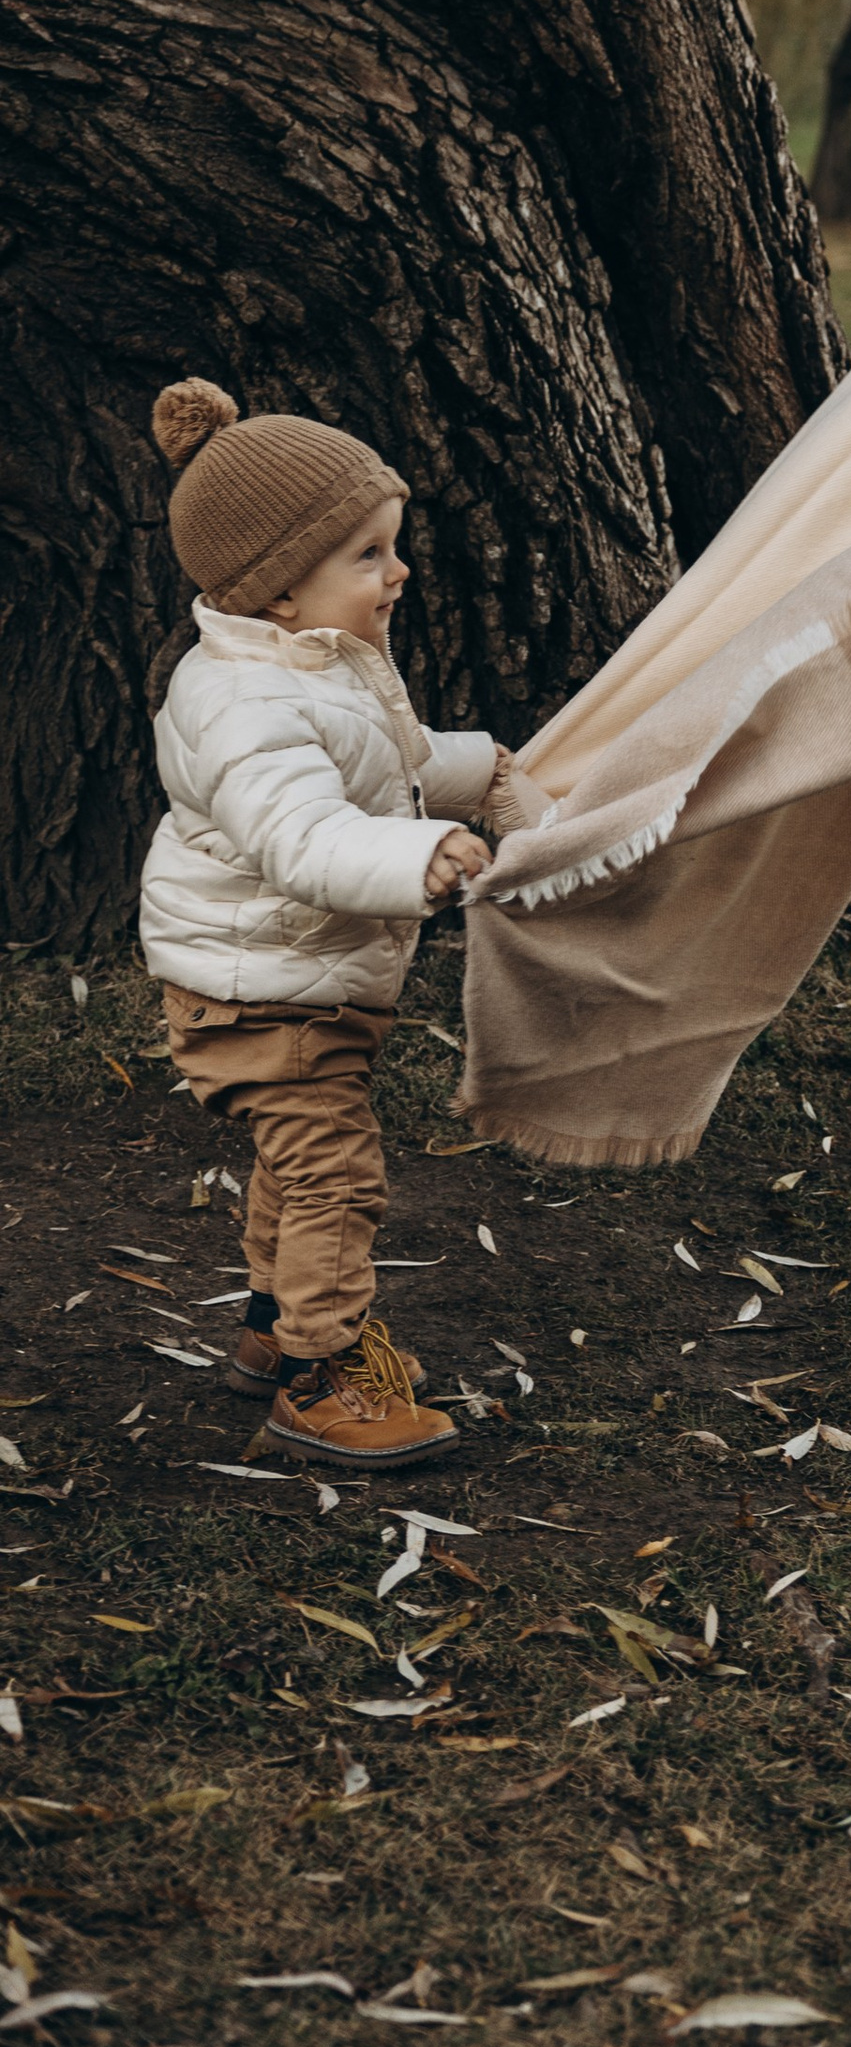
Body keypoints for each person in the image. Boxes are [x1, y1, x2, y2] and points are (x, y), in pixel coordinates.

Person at [141, 379, 510, 1470]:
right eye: (368, 555)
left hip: (292, 985)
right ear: (280, 592)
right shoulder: (246, 708)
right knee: (334, 1176)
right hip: (260, 997)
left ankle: (268, 1330)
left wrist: (480, 770)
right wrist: (420, 855)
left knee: (294, 1169)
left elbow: (381, 761)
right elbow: (299, 836)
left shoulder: (310, 664)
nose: (397, 573)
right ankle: (322, 1376)